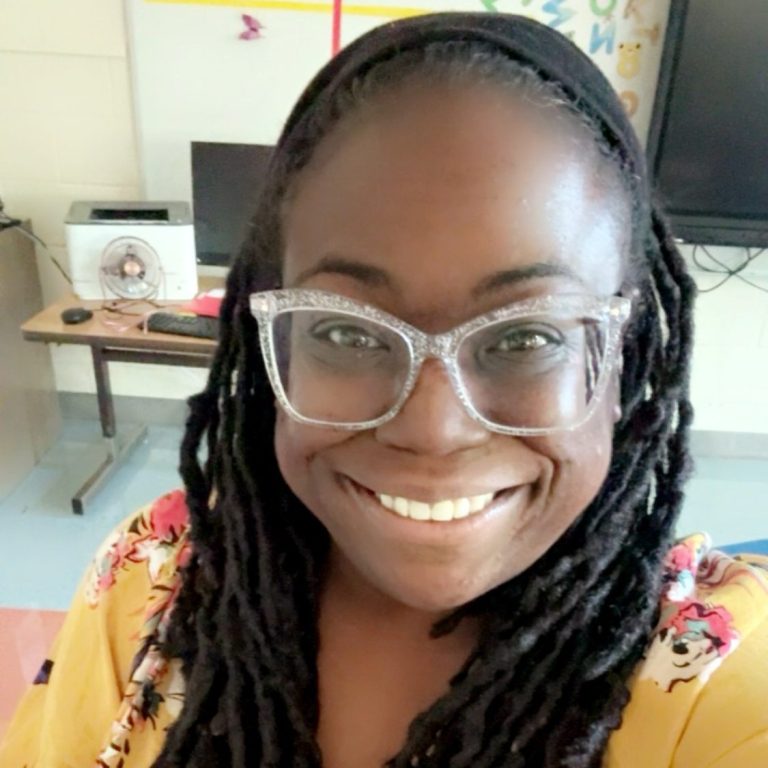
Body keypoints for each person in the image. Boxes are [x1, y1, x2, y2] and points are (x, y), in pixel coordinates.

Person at [2, 11, 767, 768]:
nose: (432, 429)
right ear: (275, 349)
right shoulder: (154, 583)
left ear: (626, 354)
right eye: (347, 332)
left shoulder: (712, 677)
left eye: (526, 338)